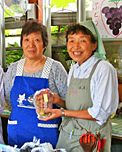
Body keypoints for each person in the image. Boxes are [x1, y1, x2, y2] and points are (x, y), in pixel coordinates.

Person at [41, 21, 118, 152]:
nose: (75, 46)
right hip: (68, 135)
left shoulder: (103, 69)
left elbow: (100, 113)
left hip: (90, 140)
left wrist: (62, 112)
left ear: (94, 45)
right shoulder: (75, 68)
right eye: (71, 41)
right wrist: (57, 100)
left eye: (82, 41)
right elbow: (75, 107)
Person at [4, 20, 68, 148]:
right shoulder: (13, 69)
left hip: (46, 135)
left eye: (36, 40)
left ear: (44, 44)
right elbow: (9, 101)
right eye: (26, 40)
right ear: (22, 43)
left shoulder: (55, 68)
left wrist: (56, 99)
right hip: (18, 133)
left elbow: (68, 104)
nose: (31, 45)